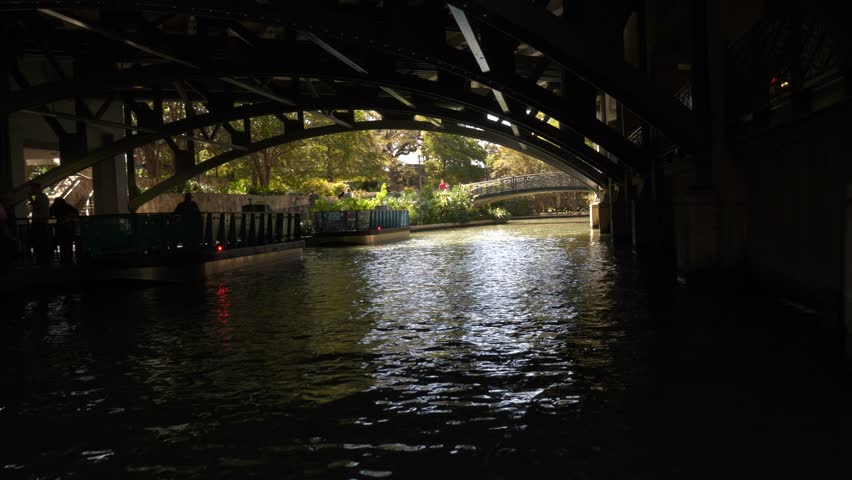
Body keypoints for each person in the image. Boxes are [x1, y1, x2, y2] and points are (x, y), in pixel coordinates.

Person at [49, 197, 79, 265]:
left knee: (62, 246)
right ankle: (69, 260)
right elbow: (75, 215)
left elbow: (50, 217)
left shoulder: (54, 208)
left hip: (60, 230)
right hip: (69, 230)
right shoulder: (69, 208)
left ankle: (63, 260)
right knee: (68, 245)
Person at [29, 183, 51, 266]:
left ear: (36, 188)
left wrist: (31, 198)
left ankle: (42, 261)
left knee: (39, 242)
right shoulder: (42, 196)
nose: (31, 191)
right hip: (41, 222)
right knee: (42, 242)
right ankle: (43, 261)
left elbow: (35, 206)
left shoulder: (40, 197)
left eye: (32, 188)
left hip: (39, 222)